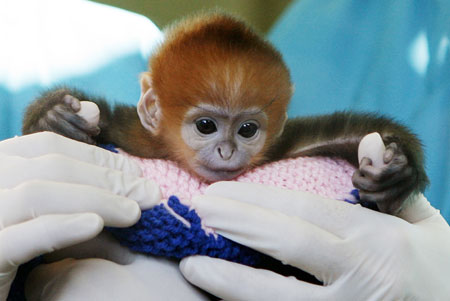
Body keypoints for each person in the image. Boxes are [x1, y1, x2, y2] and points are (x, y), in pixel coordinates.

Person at [1, 0, 450, 300]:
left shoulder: (286, 149)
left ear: (278, 117)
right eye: (205, 125)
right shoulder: (126, 129)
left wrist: (396, 168)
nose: (227, 150)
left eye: (248, 129)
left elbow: (358, 136)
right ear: (151, 108)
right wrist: (53, 118)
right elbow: (72, 132)